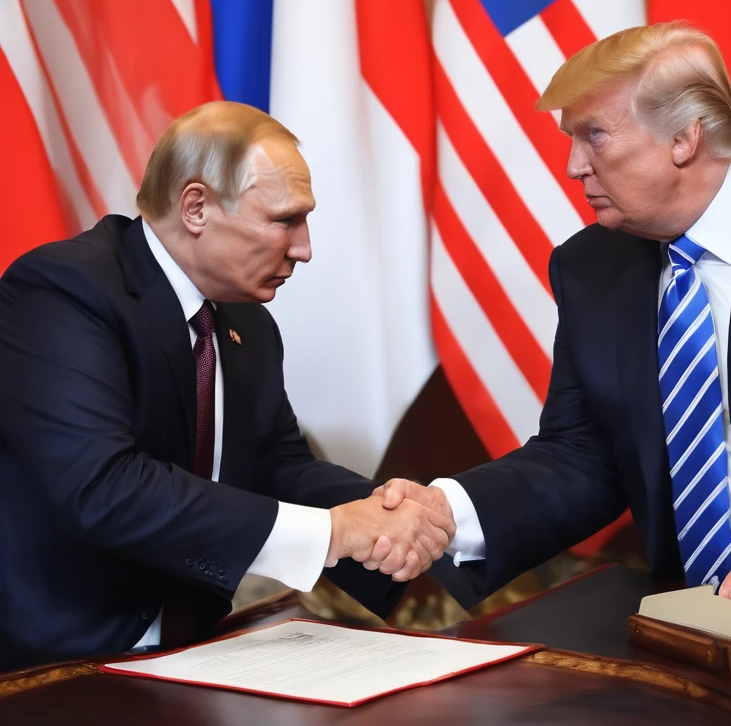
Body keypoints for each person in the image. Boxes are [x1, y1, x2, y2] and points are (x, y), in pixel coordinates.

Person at [380, 22, 731, 605]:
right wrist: (447, 510)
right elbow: (582, 455)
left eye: (594, 135)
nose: (573, 166)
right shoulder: (590, 266)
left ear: (684, 138)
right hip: (685, 621)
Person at [0, 103, 451, 670]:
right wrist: (334, 531)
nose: (304, 248)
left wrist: (388, 511)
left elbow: (278, 463)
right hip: (54, 667)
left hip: (199, 651)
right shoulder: (64, 291)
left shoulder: (246, 322)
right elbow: (104, 486)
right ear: (196, 207)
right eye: (285, 220)